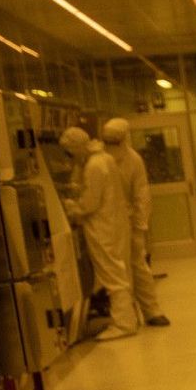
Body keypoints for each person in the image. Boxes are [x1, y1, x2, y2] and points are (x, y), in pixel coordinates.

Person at [58, 126, 137, 341]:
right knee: (121, 273)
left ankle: (124, 324)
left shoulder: (94, 165)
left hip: (103, 228)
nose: (71, 158)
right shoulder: (105, 158)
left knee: (113, 277)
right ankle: (128, 318)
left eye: (70, 152)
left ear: (76, 147)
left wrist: (72, 206)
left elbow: (90, 203)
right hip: (115, 225)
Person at [99, 118, 169, 327]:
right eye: (108, 142)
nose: (112, 146)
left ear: (124, 139)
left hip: (128, 222)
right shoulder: (98, 160)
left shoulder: (133, 160)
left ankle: (151, 311)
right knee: (117, 272)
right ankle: (128, 316)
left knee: (138, 266)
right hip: (106, 224)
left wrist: (139, 226)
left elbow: (141, 194)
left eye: (115, 141)